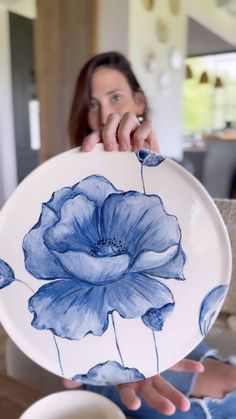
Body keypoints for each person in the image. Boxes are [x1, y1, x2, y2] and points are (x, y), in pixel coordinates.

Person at [64, 51, 236, 418]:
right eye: (91, 103)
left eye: (115, 97)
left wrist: (155, 184)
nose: (102, 114)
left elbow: (194, 268)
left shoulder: (170, 178)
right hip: (102, 352)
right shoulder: (56, 188)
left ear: (138, 102)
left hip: (171, 325)